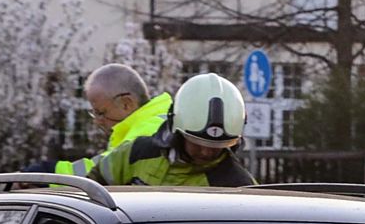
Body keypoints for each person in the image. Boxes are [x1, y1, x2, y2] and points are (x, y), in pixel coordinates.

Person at [85, 73, 256, 188]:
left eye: (216, 147)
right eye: (196, 143)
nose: (205, 152)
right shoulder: (136, 153)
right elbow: (92, 187)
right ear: (176, 128)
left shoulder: (237, 186)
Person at [47, 63, 171, 177]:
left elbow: (107, 167)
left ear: (126, 104)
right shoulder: (156, 122)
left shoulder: (147, 132)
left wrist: (51, 173)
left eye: (101, 113)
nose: (97, 121)